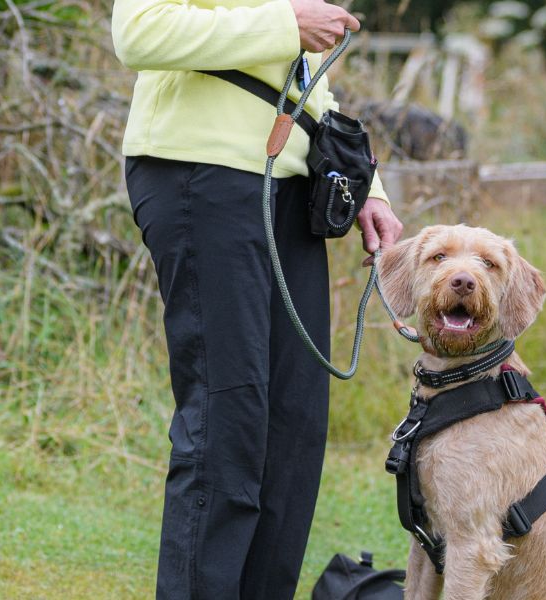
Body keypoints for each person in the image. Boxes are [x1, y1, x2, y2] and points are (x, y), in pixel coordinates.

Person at [110, 1, 403, 598]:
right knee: (228, 420)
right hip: (200, 170)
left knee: (294, 430)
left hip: (291, 186)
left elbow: (303, 86)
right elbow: (137, 32)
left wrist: (369, 186)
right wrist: (285, 25)